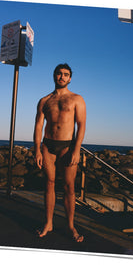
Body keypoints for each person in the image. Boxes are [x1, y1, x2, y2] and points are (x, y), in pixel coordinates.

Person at [33, 63, 86, 242]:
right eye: (59, 74)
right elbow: (39, 126)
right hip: (48, 145)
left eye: (65, 74)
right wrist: (37, 150)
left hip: (67, 146)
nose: (62, 77)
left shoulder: (77, 99)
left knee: (69, 187)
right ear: (54, 76)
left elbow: (81, 125)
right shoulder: (44, 101)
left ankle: (71, 226)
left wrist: (77, 150)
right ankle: (48, 223)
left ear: (70, 78)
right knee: (49, 183)